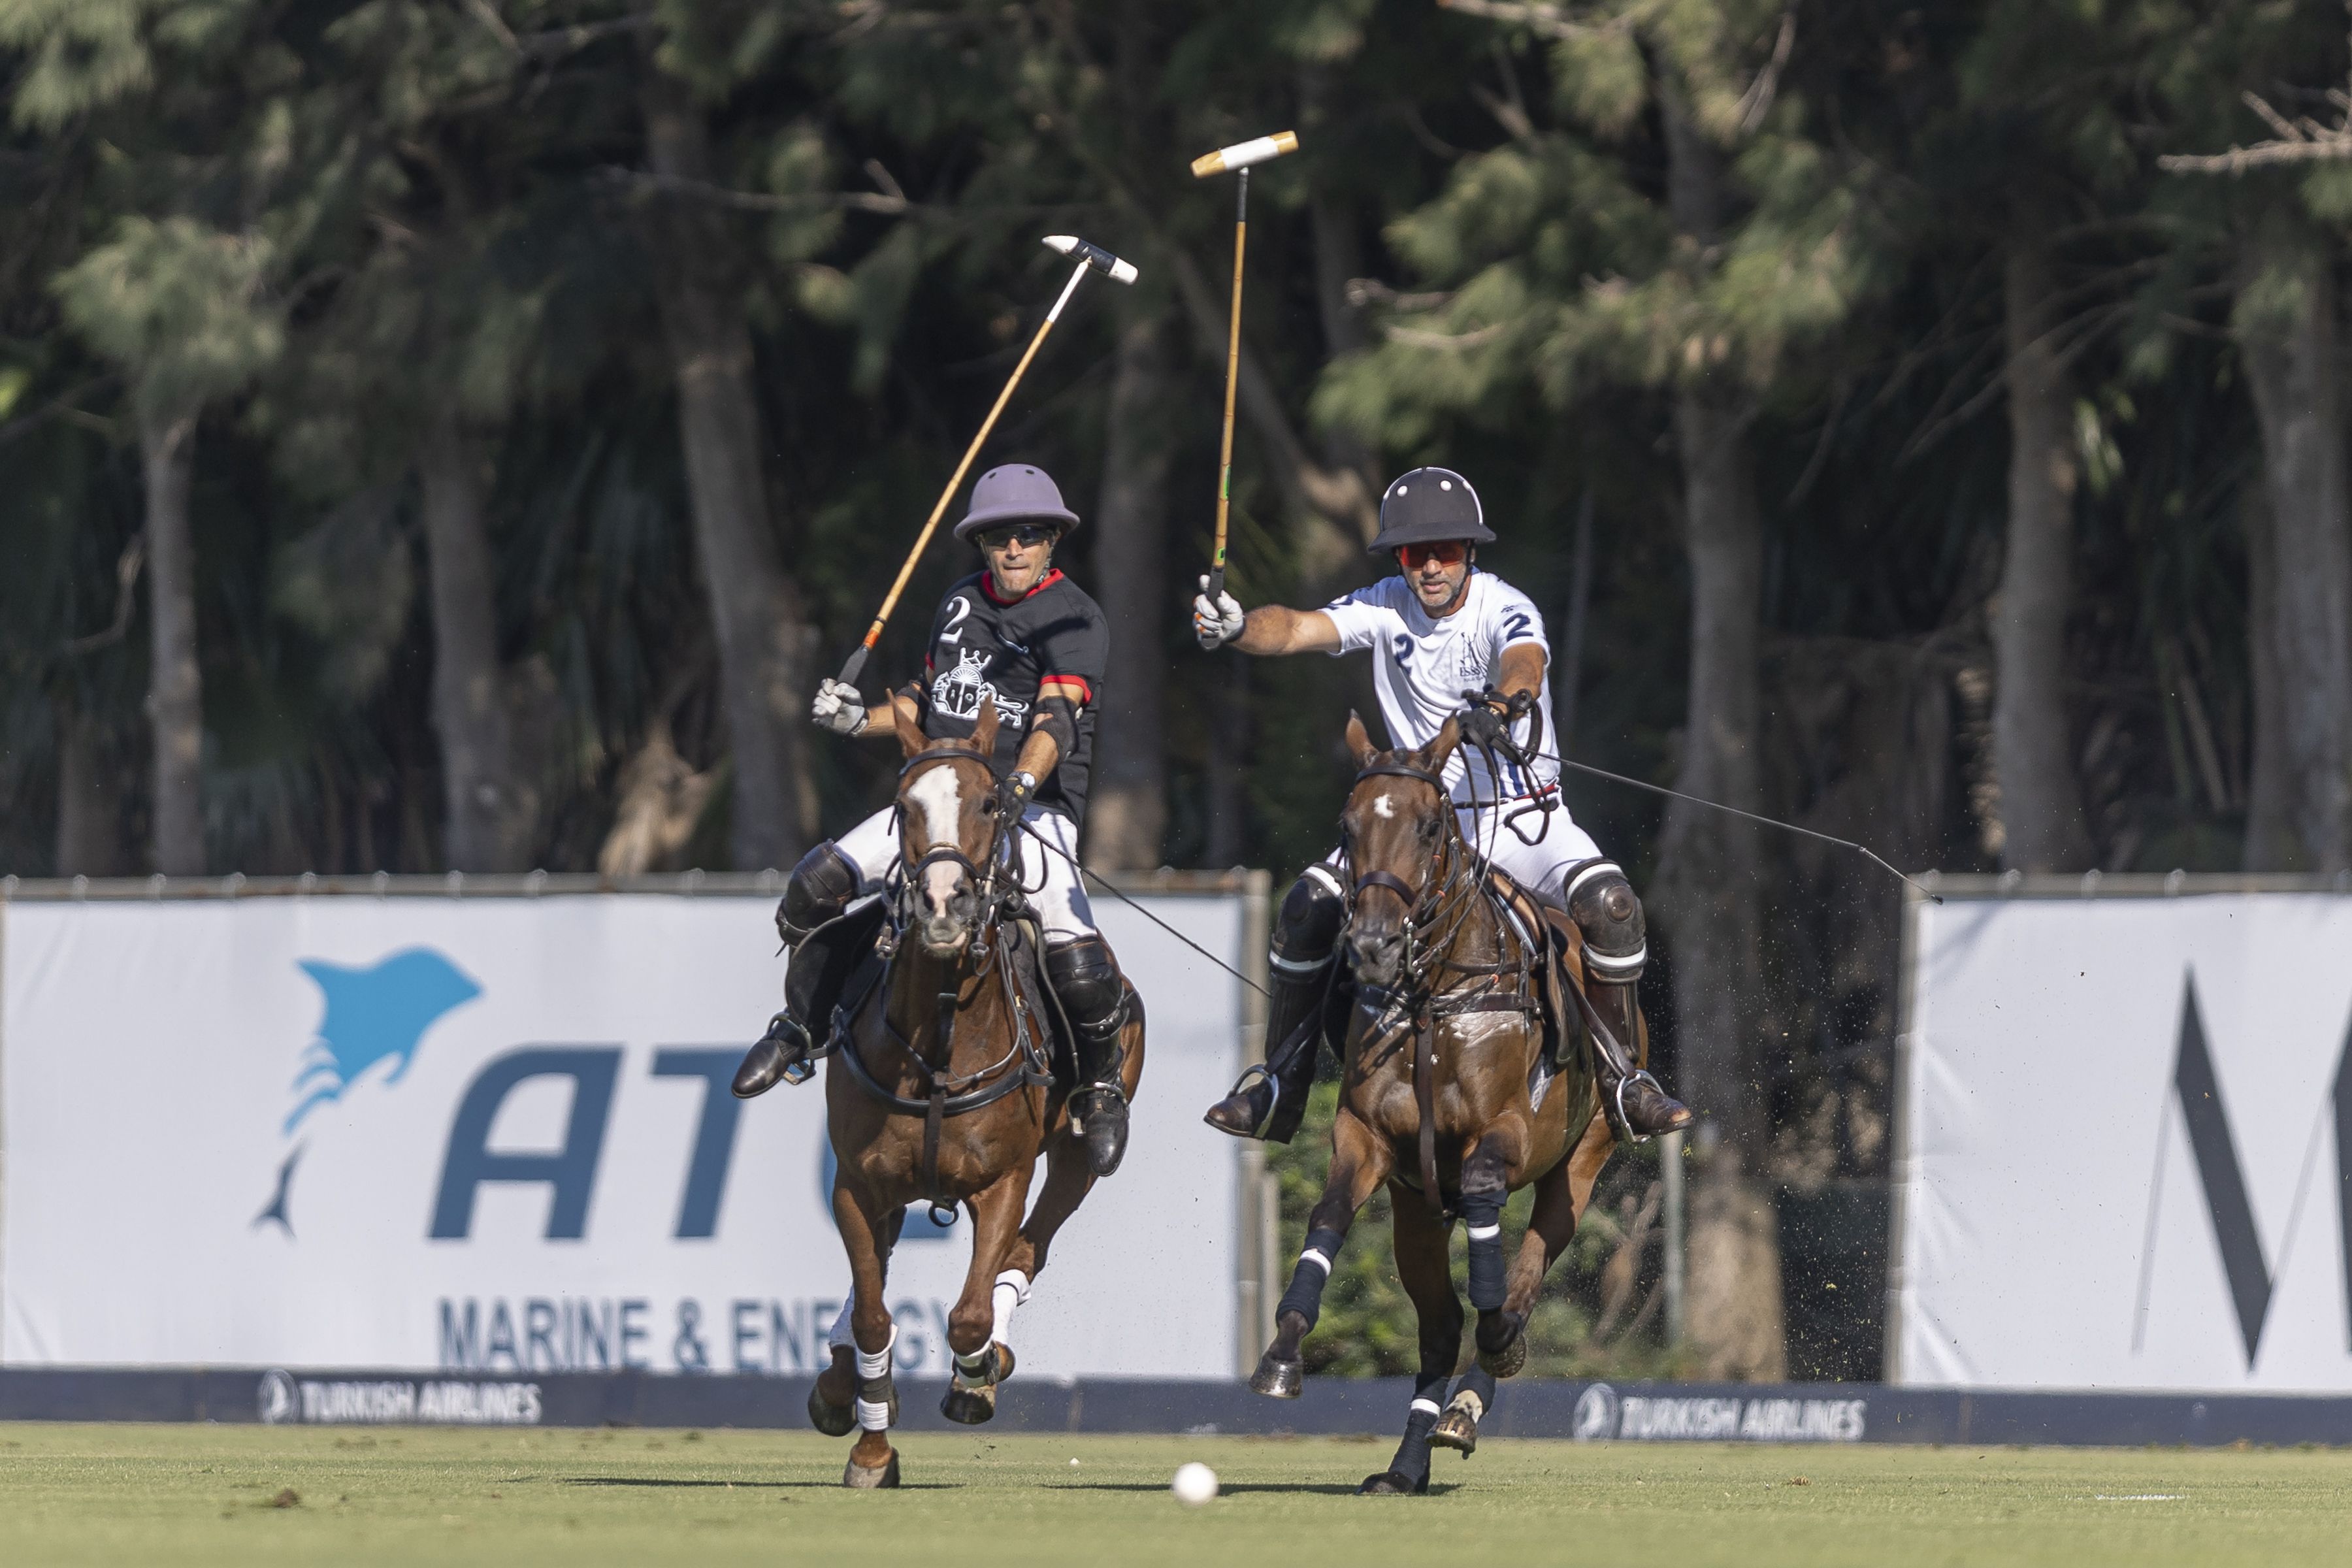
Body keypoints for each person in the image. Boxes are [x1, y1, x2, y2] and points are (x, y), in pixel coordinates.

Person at [1190, 466, 1691, 1143]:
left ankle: (1625, 1081)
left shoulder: (1502, 605)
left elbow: (1524, 663)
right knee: (1305, 908)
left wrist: (1500, 704)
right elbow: (1298, 629)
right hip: (1421, 830)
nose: (1429, 566)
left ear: (1470, 554)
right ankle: (1282, 1084)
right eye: (1413, 552)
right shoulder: (1385, 603)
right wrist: (1238, 626)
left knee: (1613, 910)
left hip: (1523, 820)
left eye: (1445, 551)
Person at [728, 463, 1130, 1177]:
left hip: (1026, 806)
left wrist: (1018, 786)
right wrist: (860, 720)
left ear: (1052, 542)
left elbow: (1056, 719)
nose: (1014, 549)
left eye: (1029, 536)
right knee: (814, 886)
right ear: (982, 547)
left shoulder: (1076, 617)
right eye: (999, 538)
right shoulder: (958, 603)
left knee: (1074, 950)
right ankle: (801, 1026)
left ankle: (1098, 1089)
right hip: (936, 797)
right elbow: (922, 697)